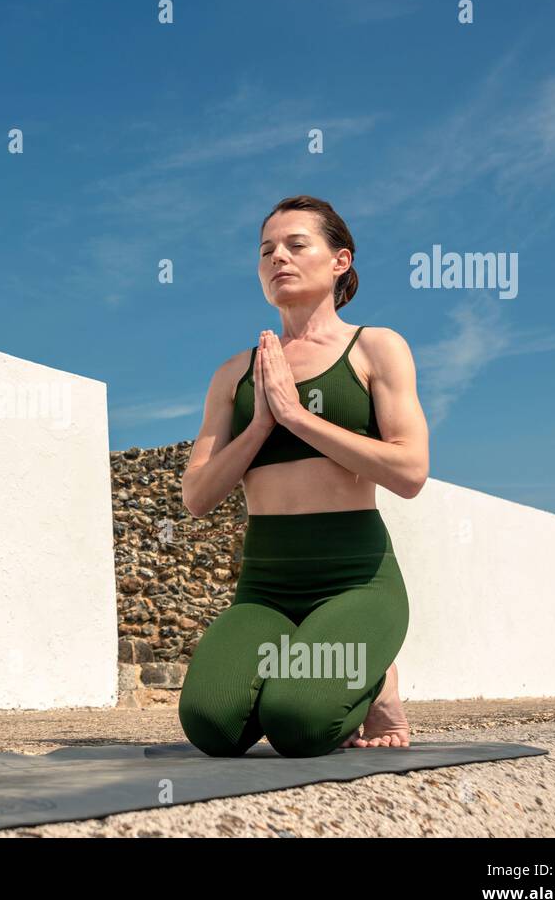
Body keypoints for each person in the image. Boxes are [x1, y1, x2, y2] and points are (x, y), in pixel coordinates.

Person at [177, 195, 429, 757]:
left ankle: (376, 678)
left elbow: (410, 472)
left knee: (299, 725)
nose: (277, 259)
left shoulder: (376, 349)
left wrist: (297, 417)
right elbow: (197, 496)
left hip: (355, 579)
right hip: (266, 586)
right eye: (266, 250)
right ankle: (306, 666)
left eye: (296, 244)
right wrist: (262, 424)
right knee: (209, 726)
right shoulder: (234, 374)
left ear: (340, 260)